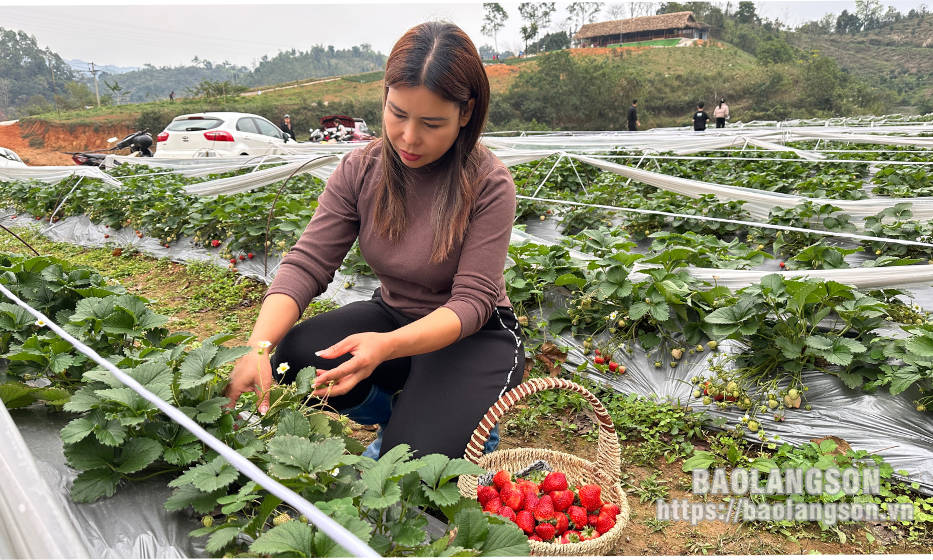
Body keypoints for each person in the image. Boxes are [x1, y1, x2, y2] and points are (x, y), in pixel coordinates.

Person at [224, 21, 523, 461]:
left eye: (432, 123)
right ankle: (397, 416)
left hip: (472, 336)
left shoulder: (488, 182)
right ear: (384, 96)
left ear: (465, 113)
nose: (409, 137)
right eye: (398, 113)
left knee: (415, 470)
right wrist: (258, 348)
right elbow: (307, 264)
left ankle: (452, 428)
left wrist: (385, 347)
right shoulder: (362, 169)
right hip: (394, 315)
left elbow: (472, 303)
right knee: (295, 355)